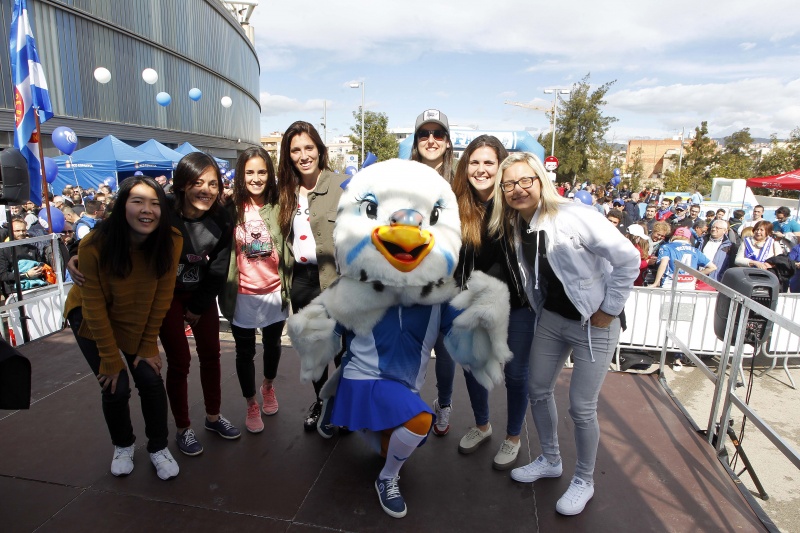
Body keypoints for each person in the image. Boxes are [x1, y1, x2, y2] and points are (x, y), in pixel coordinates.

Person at [488, 152, 639, 516]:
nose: (517, 189)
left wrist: (610, 309)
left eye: (526, 180)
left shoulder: (576, 215)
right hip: (552, 320)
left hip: (594, 323)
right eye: (508, 184)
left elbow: (629, 259)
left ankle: (584, 479)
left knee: (581, 407)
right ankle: (550, 459)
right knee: (537, 390)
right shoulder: (515, 224)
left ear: (541, 180)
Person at [63, 176, 183, 480]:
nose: (147, 210)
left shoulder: (172, 240)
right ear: (121, 206)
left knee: (150, 379)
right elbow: (93, 304)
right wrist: (110, 357)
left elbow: (162, 297)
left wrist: (147, 345)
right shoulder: (94, 244)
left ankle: (158, 446)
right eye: (137, 201)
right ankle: (123, 444)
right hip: (91, 317)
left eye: (155, 203)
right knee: (115, 384)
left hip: (135, 315)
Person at [447, 135, 534, 470]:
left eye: (489, 163)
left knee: (516, 373)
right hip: (475, 302)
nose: (481, 170)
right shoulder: (457, 205)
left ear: (501, 166)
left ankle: (513, 437)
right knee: (473, 367)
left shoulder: (515, 202)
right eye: (475, 162)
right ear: (465, 166)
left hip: (518, 304)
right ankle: (483, 425)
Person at [161, 152, 240, 456]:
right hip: (166, 297)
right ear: (181, 185)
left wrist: (198, 305)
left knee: (211, 354)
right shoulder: (163, 210)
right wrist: (80, 253)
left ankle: (213, 417)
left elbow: (219, 267)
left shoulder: (221, 218)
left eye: (213, 183)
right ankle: (183, 428)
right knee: (180, 361)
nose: (206, 190)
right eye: (197, 183)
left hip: (200, 295)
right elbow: (118, 224)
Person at [277, 120, 347, 435]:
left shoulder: (343, 184)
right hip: (303, 278)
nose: (303, 155)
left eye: (309, 147)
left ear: (319, 149)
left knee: (345, 349)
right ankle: (321, 401)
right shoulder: (285, 191)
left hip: (338, 278)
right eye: (296, 150)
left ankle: (342, 405)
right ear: (288, 156)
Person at [219, 147, 292, 434]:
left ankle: (268, 386)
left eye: (262, 171)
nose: (256, 178)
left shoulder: (280, 204)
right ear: (240, 175)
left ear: (269, 174)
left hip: (274, 291)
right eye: (250, 172)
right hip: (242, 295)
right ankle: (251, 402)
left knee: (273, 347)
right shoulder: (229, 207)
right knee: (244, 352)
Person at [407, 109, 460, 435]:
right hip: (414, 281)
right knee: (412, 347)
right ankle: (409, 405)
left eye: (437, 134)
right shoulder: (405, 177)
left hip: (452, 284)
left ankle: (445, 403)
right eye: (424, 134)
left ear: (447, 141)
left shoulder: (460, 179)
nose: (431, 140)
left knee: (446, 351)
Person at [0, 218, 54, 296]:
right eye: (17, 231)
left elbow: (41, 265)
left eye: (23, 230)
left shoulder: (33, 248)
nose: (21, 233)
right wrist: (26, 275)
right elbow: (3, 275)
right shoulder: (4, 250)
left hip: (37, 287)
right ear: (10, 231)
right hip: (15, 292)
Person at [696, 219, 736, 285]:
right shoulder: (701, 241)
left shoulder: (730, 246)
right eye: (713, 227)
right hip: (699, 277)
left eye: (717, 228)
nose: (714, 229)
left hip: (716, 281)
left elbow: (730, 266)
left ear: (724, 231)